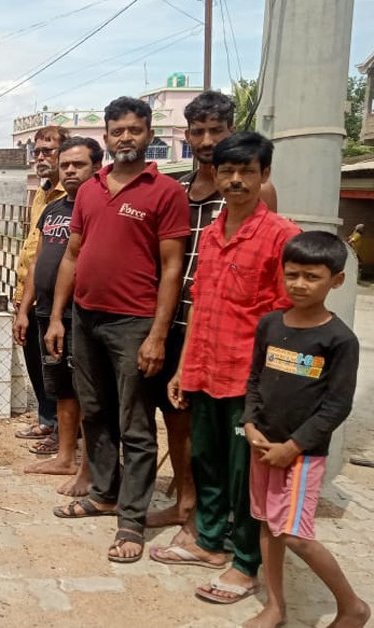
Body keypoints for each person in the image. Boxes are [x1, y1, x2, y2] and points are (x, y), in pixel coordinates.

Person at [147, 132, 301, 604]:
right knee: (206, 461)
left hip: (249, 380)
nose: (236, 180)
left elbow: (289, 318)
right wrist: (183, 368)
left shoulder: (282, 236)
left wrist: (273, 387)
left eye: (246, 171)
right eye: (227, 171)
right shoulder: (212, 233)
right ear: (215, 175)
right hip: (205, 370)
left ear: (264, 175)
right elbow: (199, 304)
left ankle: (246, 564)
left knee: (244, 474)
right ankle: (208, 542)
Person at [45, 97, 189, 563]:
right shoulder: (90, 189)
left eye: (134, 129)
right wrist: (58, 317)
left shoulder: (165, 192)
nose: (126, 137)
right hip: (86, 318)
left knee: (136, 424)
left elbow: (172, 268)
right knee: (94, 412)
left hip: (134, 323)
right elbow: (72, 255)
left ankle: (131, 520)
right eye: (118, 130)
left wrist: (158, 335)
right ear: (106, 137)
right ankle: (104, 494)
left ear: (150, 135)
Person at [148, 91, 279, 539]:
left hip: (229, 328)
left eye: (215, 131)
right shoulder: (181, 189)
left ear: (231, 130)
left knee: (226, 429)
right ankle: (185, 503)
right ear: (186, 135)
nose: (206, 141)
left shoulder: (253, 189)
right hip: (181, 319)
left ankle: (223, 523)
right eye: (198, 132)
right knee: (179, 420)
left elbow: (264, 262)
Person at [240, 232, 369, 628]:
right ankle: (275, 607)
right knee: (268, 525)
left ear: (337, 281)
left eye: (312, 277)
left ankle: (352, 607)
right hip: (263, 446)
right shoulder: (270, 324)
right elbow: (255, 379)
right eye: (292, 274)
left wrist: (293, 446)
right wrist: (249, 423)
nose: (299, 284)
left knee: (295, 534)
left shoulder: (339, 339)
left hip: (301, 456)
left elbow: (337, 406)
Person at [14, 137, 101, 495]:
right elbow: (38, 260)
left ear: (97, 166)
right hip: (46, 309)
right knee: (61, 387)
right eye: (65, 165)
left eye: (78, 165)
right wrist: (24, 308)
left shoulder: (100, 207)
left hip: (80, 312)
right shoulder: (52, 209)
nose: (70, 171)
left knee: (87, 388)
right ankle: (65, 456)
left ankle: (91, 464)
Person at [13, 126, 69, 457]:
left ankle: (64, 431)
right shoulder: (41, 193)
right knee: (35, 359)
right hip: (30, 289)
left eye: (48, 150)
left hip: (58, 296)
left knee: (58, 362)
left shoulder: (74, 194)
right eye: (36, 151)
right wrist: (22, 298)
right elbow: (34, 248)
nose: (40, 157)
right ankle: (47, 419)